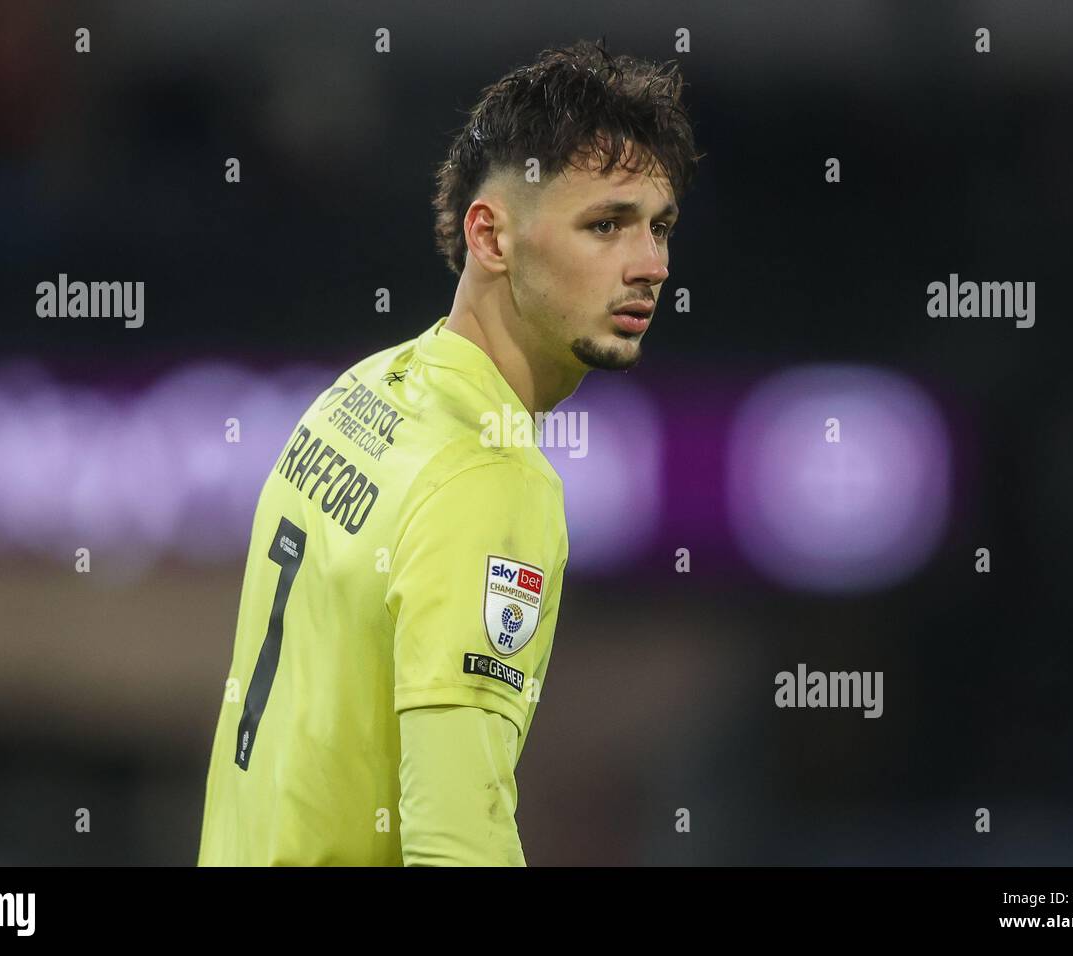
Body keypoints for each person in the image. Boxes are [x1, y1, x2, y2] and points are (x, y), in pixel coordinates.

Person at [198, 37, 702, 866]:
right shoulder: (489, 479)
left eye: (660, 227)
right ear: (492, 237)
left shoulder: (360, 393)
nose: (650, 264)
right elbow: (454, 837)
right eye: (606, 224)